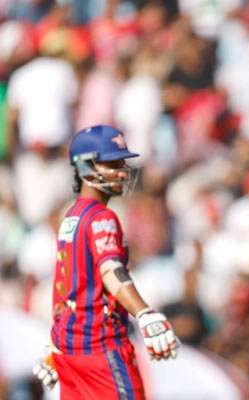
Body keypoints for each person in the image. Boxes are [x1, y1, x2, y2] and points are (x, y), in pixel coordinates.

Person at [32, 125, 180, 399]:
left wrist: (56, 341)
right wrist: (144, 313)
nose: (122, 171)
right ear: (86, 167)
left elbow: (65, 286)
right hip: (101, 348)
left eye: (121, 163)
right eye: (112, 164)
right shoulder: (102, 217)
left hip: (70, 352)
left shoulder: (71, 217)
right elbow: (111, 271)